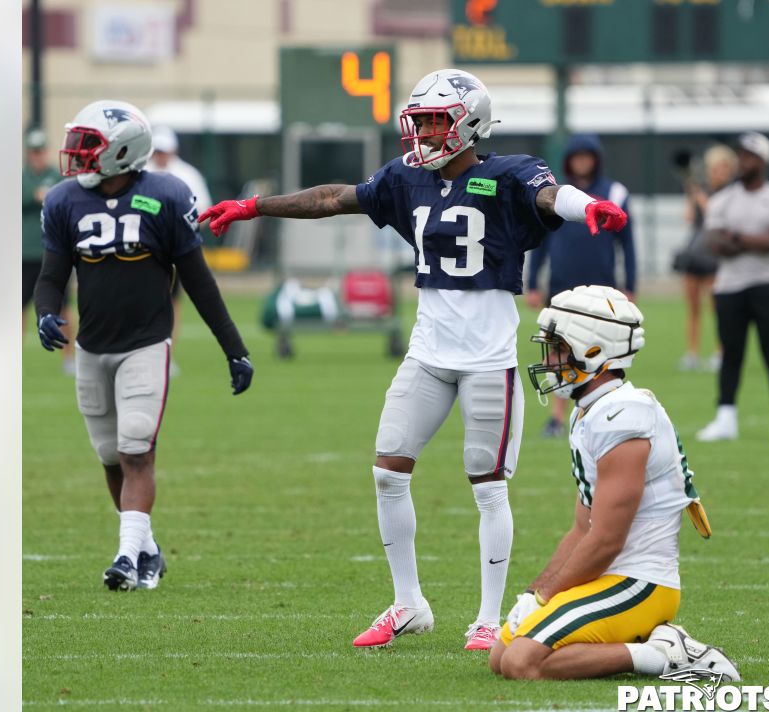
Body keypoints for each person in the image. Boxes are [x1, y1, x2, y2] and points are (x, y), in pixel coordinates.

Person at [199, 69, 628, 651]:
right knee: (387, 472)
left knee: (488, 488)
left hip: (487, 357)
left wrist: (588, 207)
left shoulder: (508, 173)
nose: (422, 134)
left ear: (469, 124)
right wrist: (254, 207)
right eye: (420, 121)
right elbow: (332, 198)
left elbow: (549, 196)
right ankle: (409, 604)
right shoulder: (406, 178)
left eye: (433, 122)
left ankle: (486, 618)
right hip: (427, 352)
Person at [33, 100, 255, 591]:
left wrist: (233, 347)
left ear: (122, 150)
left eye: (87, 145)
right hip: (92, 345)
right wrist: (45, 313)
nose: (76, 154)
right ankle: (148, 549)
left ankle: (127, 559)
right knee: (110, 455)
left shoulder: (166, 196)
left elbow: (198, 282)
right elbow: (51, 277)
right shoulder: (66, 201)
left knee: (136, 449)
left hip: (146, 344)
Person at [489, 284, 739, 681]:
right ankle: (641, 646)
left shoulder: (623, 415)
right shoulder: (590, 412)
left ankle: (666, 655)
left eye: (558, 348)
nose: (549, 360)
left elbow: (606, 540)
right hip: (608, 576)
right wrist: (532, 595)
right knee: (499, 656)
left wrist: (547, 596)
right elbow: (581, 528)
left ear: (593, 351)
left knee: (522, 662)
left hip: (640, 582)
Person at [525, 133, 635, 438]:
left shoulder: (614, 192)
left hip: (603, 287)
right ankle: (558, 418)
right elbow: (540, 243)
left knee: (603, 351)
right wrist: (532, 282)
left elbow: (628, 243)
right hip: (561, 285)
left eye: (588, 156)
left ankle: (601, 411)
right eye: (577, 156)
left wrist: (631, 285)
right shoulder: (556, 195)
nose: (582, 162)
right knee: (558, 351)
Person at [695, 132, 769, 443]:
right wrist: (753, 239)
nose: (743, 162)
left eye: (750, 156)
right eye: (741, 155)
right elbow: (714, 243)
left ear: (763, 161)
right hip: (730, 286)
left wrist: (736, 237)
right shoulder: (722, 200)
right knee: (731, 353)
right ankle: (725, 417)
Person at [147, 126, 215, 378]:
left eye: (164, 151)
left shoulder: (188, 175)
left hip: (176, 249)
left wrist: (181, 232)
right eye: (157, 151)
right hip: (146, 249)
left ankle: (166, 356)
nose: (161, 156)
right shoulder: (142, 172)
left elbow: (204, 211)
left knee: (171, 301)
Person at [674, 144, 737, 373]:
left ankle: (721, 352)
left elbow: (716, 217)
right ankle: (692, 353)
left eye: (722, 169)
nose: (717, 173)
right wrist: (691, 196)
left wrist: (700, 197)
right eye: (714, 169)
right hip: (695, 253)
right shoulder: (703, 190)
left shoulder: (732, 194)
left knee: (717, 308)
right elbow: (689, 218)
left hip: (716, 256)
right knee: (692, 307)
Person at [22, 128, 75, 374]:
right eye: (33, 151)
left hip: (51, 253)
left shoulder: (57, 176)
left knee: (63, 307)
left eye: (40, 151)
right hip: (23, 253)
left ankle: (69, 358)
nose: (37, 156)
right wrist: (35, 196)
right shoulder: (21, 177)